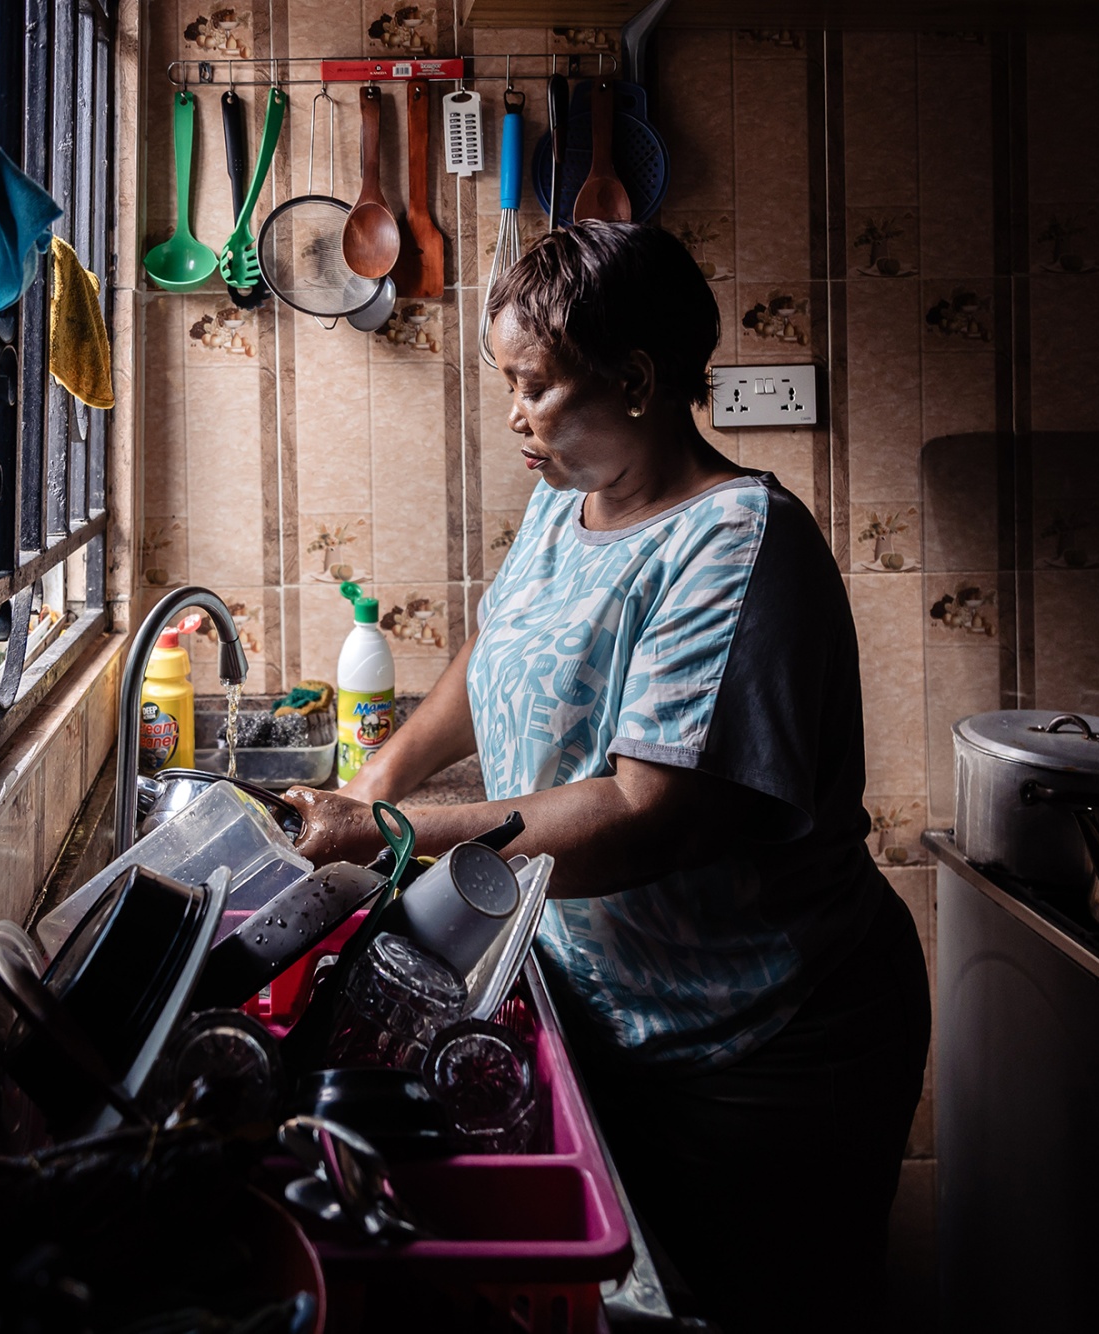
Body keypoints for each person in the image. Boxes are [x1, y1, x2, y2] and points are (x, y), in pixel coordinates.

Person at [286, 222, 930, 1332]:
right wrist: (383, 763)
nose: (512, 415)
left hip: (764, 1043)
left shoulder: (738, 545)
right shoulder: (563, 497)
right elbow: (495, 643)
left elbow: (640, 815)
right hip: (616, 1016)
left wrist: (391, 825)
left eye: (533, 386)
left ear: (634, 380)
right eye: (505, 382)